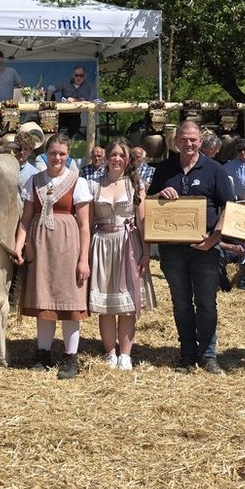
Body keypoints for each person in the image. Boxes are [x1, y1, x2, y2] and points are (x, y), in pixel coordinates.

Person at [148, 120, 237, 374]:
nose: (188, 144)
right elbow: (148, 203)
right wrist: (159, 195)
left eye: (193, 139)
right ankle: (187, 354)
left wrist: (214, 239)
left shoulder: (214, 169)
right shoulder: (164, 169)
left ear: (200, 141)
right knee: (181, 303)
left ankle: (208, 355)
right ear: (176, 141)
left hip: (206, 248)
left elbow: (229, 207)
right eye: (184, 139)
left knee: (207, 303)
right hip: (172, 249)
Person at [15, 133, 91, 379]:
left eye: (62, 154)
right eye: (53, 153)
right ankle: (43, 354)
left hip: (68, 246)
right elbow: (26, 219)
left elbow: (84, 225)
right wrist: (19, 246)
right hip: (40, 246)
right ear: (46, 154)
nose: (57, 158)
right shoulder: (34, 181)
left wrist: (83, 259)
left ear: (68, 156)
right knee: (44, 299)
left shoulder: (78, 182)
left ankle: (70, 357)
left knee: (69, 301)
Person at [87, 139, 155, 370]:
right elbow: (87, 222)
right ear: (107, 157)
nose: (117, 159)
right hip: (102, 245)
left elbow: (142, 221)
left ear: (128, 160)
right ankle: (110, 352)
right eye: (114, 154)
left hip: (129, 245)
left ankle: (125, 354)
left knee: (127, 305)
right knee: (106, 303)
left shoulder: (136, 185)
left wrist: (146, 253)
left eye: (122, 155)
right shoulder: (93, 184)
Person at [54, 65, 95, 135]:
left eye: (81, 75)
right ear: (73, 75)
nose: (79, 78)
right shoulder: (65, 82)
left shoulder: (87, 87)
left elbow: (85, 101)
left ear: (85, 76)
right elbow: (51, 88)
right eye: (76, 75)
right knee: (53, 131)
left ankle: (65, 140)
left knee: (74, 130)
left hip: (75, 115)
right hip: (62, 113)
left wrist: (73, 100)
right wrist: (49, 96)